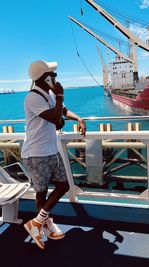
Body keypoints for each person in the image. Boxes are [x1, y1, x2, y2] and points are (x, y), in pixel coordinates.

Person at [21, 60, 86, 249]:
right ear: (46, 77)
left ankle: (37, 222)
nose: (56, 78)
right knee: (41, 193)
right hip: (36, 153)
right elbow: (55, 118)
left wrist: (79, 118)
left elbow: (63, 111)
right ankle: (44, 225)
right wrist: (59, 95)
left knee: (63, 185)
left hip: (50, 150)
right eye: (53, 75)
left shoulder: (48, 94)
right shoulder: (32, 98)